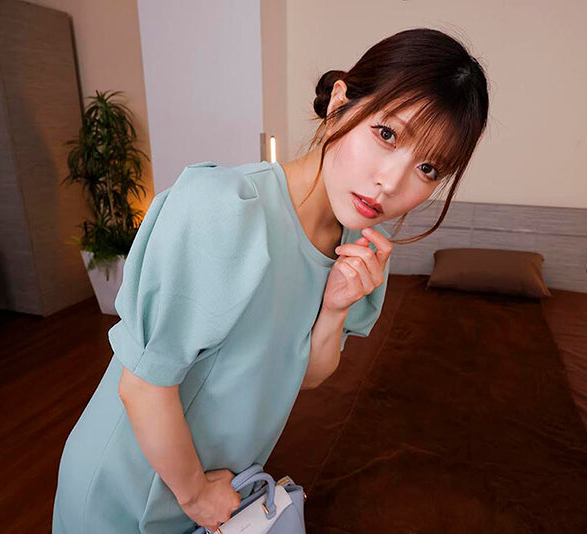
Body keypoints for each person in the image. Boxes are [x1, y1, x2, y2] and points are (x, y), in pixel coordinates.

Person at [52, 27, 489, 533]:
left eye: (428, 168)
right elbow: (143, 385)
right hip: (131, 485)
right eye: (387, 134)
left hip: (220, 490)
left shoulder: (361, 247)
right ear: (341, 102)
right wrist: (195, 494)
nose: (391, 182)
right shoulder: (224, 209)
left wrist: (334, 309)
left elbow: (303, 375)